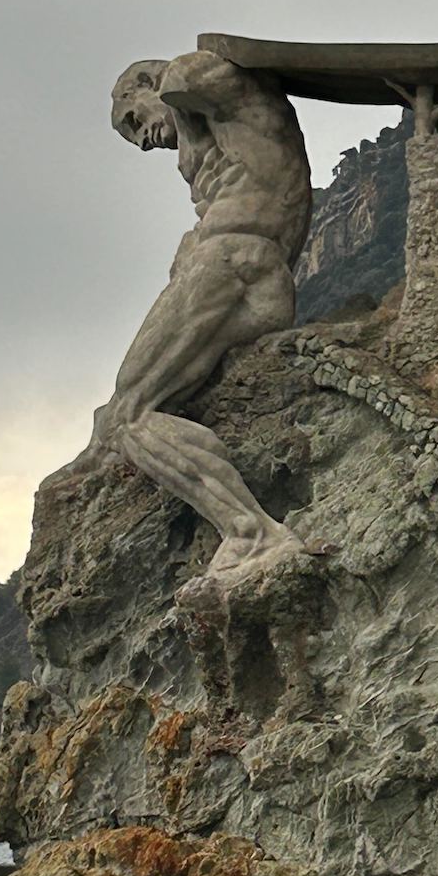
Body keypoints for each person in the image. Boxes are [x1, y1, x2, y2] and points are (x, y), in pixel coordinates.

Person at [47, 51, 313, 580]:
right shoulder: (214, 143)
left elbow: (195, 75)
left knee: (130, 413)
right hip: (254, 275)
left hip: (233, 262)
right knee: (121, 413)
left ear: (146, 84)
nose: (142, 138)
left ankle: (251, 533)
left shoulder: (202, 82)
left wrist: (169, 84)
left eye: (133, 120)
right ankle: (111, 453)